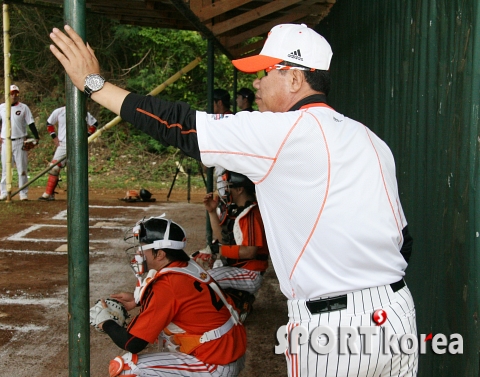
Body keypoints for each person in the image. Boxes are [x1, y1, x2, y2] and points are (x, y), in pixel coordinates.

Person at [50, 22, 417, 376]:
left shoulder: (280, 131)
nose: (256, 83)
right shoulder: (370, 139)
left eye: (265, 72)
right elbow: (403, 242)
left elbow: (180, 125)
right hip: (396, 312)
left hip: (332, 326)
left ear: (294, 78)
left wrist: (94, 85)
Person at [90, 215, 246, 376]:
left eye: (143, 247)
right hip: (226, 350)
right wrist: (138, 300)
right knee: (166, 336)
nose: (138, 252)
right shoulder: (186, 265)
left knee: (127, 368)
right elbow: (179, 300)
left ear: (160, 254)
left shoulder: (167, 285)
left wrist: (105, 322)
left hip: (214, 363)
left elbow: (132, 343)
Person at [196, 171, 269, 322]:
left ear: (240, 189)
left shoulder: (251, 214)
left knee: (205, 280)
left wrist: (218, 250)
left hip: (250, 272)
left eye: (229, 186)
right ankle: (237, 298)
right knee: (197, 272)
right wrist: (211, 212)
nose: (225, 190)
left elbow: (249, 251)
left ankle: (239, 303)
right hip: (237, 268)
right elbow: (222, 238)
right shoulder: (236, 209)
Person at [38, 105, 98, 201]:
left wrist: (85, 137)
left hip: (77, 145)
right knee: (54, 167)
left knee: (77, 170)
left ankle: (78, 196)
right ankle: (49, 193)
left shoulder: (82, 111)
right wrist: (54, 138)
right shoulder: (59, 111)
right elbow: (49, 123)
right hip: (63, 145)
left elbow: (94, 124)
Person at [0, 84, 39, 201]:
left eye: (16, 93)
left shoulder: (23, 108)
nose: (14, 96)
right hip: (6, 141)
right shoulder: (2, 107)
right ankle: (3, 192)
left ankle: (23, 193)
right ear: (8, 95)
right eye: (12, 94)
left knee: (22, 169)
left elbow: (31, 123)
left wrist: (36, 137)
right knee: (5, 168)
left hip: (19, 141)